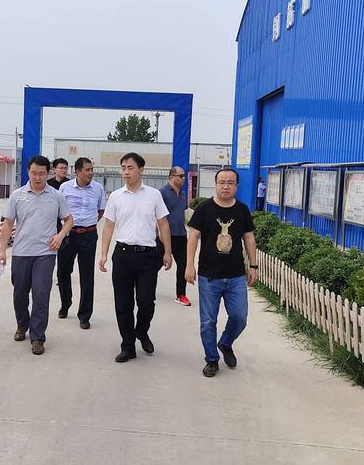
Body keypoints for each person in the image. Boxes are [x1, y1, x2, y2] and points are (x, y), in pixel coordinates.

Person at [0, 156, 72, 356]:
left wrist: (60, 236)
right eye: (34, 173)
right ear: (28, 172)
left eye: (42, 174)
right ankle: (22, 324)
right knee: (20, 294)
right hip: (21, 252)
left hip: (45, 253)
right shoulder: (17, 195)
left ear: (48, 173)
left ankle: (38, 336)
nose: (37, 177)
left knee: (41, 294)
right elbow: (7, 224)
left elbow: (68, 219)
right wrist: (2, 251)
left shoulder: (56, 196)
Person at [99, 152, 172, 363]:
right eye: (123, 168)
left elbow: (163, 224)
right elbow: (108, 226)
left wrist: (167, 251)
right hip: (123, 255)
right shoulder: (116, 196)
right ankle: (128, 346)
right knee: (123, 304)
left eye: (130, 168)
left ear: (141, 170)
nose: (126, 172)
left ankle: (141, 330)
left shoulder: (154, 195)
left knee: (146, 301)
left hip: (148, 256)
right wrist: (103, 254)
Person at [185, 168, 257, 378]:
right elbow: (193, 236)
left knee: (239, 317)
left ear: (236, 186)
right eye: (222, 182)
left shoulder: (242, 210)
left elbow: (249, 238)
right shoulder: (204, 209)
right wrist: (189, 265)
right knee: (208, 321)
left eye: (230, 183)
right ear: (216, 184)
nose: (226, 186)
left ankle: (225, 343)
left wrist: (253, 265)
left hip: (236, 276)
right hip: (209, 276)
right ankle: (211, 359)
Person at [57, 157, 106, 328]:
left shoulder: (98, 188)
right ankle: (65, 303)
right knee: (63, 272)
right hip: (68, 235)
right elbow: (59, 210)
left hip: (89, 236)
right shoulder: (65, 188)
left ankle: (85, 315)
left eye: (92, 169)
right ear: (77, 171)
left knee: (87, 276)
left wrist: (89, 223)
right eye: (87, 170)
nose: (91, 173)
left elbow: (101, 210)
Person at [159, 166, 191, 306]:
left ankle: (181, 294)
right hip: (165, 236)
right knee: (154, 265)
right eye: (181, 176)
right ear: (172, 177)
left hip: (181, 236)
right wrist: (159, 233)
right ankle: (144, 288)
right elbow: (156, 215)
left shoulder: (183, 194)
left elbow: (182, 212)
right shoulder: (162, 193)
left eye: (184, 176)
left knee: (183, 265)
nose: (183, 178)